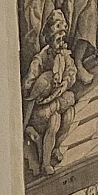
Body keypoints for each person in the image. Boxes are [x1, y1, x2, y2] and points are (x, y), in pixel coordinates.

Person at [23, 11, 78, 176]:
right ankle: (45, 162)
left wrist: (65, 83)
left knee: (69, 115)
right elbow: (28, 85)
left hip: (58, 99)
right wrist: (44, 83)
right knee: (54, 120)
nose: (61, 42)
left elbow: (71, 71)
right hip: (41, 107)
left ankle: (55, 147)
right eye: (58, 39)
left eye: (63, 37)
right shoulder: (40, 59)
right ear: (50, 39)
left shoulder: (63, 55)